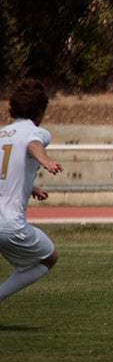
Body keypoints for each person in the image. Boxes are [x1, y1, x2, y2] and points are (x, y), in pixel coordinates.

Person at [0, 79, 63, 310]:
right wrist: (46, 161)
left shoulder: (2, 134)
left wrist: (31, 187)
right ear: (39, 111)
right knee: (49, 257)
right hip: (10, 224)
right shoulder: (36, 132)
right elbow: (33, 144)